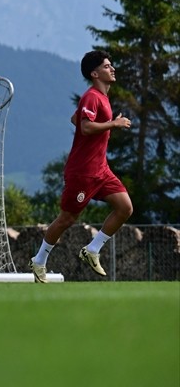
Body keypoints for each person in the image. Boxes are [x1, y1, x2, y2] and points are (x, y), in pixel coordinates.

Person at [28, 51, 133, 283]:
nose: (112, 68)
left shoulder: (102, 97)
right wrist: (113, 123)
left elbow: (75, 120)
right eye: (107, 66)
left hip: (101, 170)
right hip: (83, 172)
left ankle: (93, 249)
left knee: (125, 208)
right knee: (67, 219)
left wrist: (103, 126)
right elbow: (84, 127)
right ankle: (39, 261)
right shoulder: (93, 96)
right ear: (95, 73)